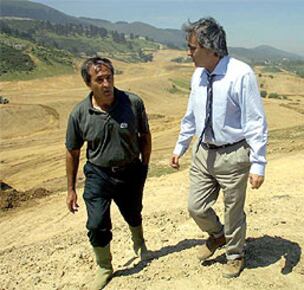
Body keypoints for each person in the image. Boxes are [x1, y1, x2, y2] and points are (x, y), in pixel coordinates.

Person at [170, 17, 267, 278]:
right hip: (203, 152)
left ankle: (235, 255)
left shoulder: (241, 74)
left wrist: (258, 164)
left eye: (192, 48)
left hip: (234, 154)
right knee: (196, 207)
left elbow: (255, 122)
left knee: (233, 210)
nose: (188, 53)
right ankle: (217, 235)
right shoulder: (198, 75)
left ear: (211, 48)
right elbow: (191, 115)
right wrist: (180, 147)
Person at [65, 57, 152, 289]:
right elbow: (72, 151)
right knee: (96, 223)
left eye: (109, 78)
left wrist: (144, 167)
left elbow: (145, 136)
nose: (106, 84)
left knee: (133, 212)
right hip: (98, 174)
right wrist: (71, 189)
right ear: (88, 83)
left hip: (131, 171)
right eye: (99, 79)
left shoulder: (132, 103)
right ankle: (105, 267)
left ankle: (139, 243)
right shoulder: (79, 114)